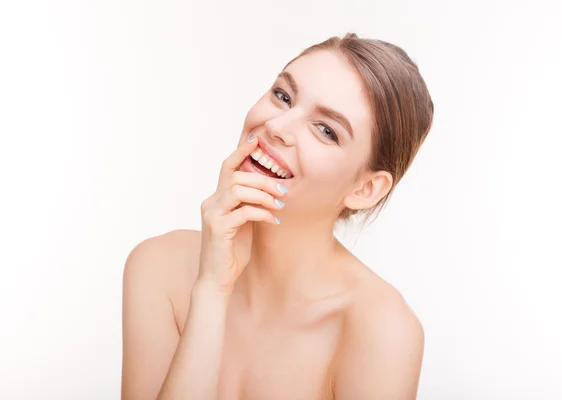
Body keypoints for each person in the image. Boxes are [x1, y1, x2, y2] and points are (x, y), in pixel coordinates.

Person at [121, 32, 434, 400]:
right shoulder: (158, 267)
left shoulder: (382, 331)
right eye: (283, 96)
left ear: (365, 190)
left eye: (326, 131)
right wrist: (211, 292)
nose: (276, 127)